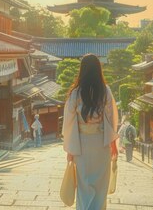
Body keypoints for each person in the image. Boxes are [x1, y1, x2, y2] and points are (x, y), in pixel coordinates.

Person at [63, 54, 118, 210]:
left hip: (82, 144)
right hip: (101, 143)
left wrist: (70, 148)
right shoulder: (105, 91)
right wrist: (112, 142)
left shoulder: (75, 93)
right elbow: (111, 119)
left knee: (84, 185)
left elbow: (68, 122)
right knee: (100, 186)